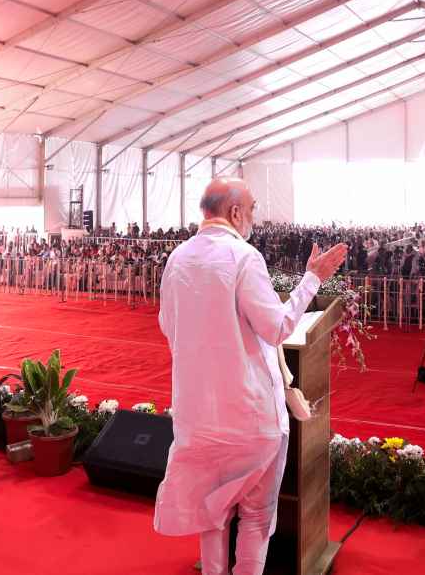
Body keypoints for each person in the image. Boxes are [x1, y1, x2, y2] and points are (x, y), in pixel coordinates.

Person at [153, 178, 347, 575]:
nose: (254, 218)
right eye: (253, 209)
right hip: (249, 417)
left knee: (212, 514)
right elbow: (277, 328)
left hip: (199, 418)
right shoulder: (243, 257)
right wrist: (312, 279)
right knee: (256, 517)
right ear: (235, 213)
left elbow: (168, 327)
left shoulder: (177, 259)